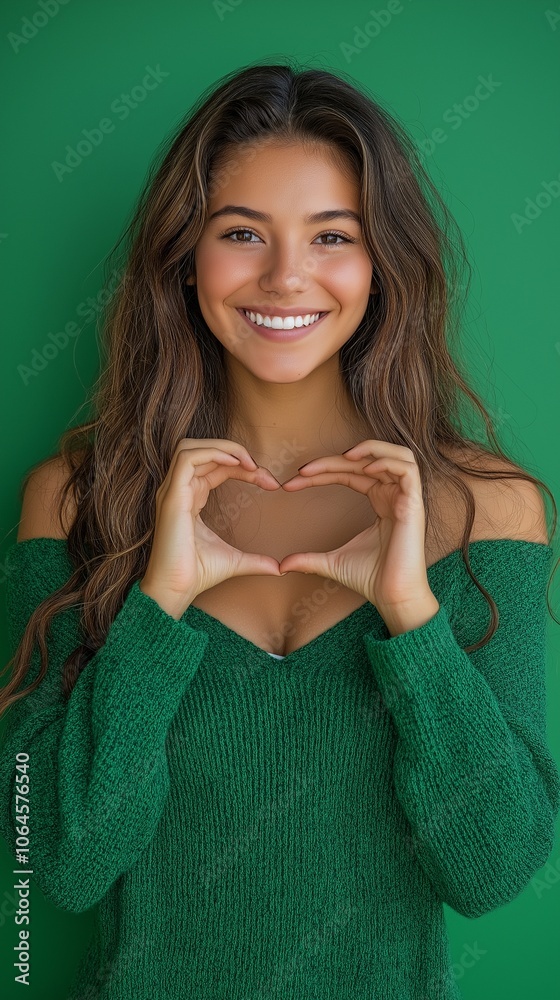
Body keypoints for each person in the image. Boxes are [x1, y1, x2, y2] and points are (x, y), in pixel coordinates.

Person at [1, 59, 559, 999]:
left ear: (382, 261)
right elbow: (52, 861)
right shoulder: (73, 499)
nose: (286, 275)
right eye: (241, 232)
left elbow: (495, 868)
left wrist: (413, 619)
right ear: (186, 256)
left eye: (332, 235)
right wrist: (159, 606)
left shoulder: (489, 508)